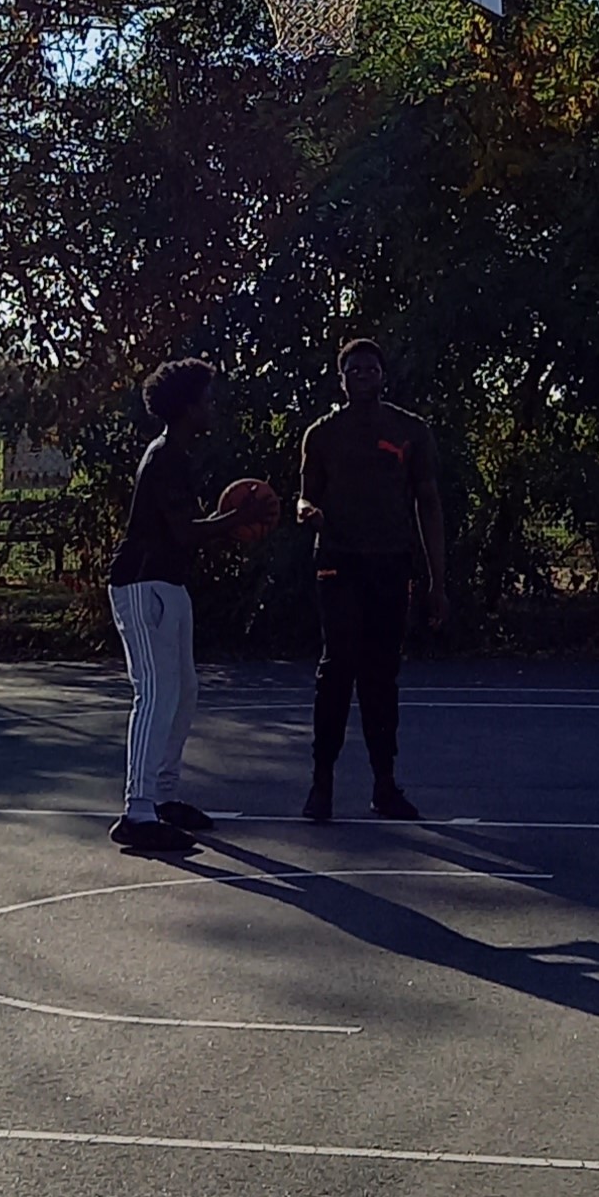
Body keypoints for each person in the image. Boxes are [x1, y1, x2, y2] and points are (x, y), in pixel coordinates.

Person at [105, 357, 264, 856]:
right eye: (207, 399)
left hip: (167, 583)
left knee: (184, 692)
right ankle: (137, 811)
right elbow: (183, 533)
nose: (211, 407)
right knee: (155, 694)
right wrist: (238, 517)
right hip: (142, 583)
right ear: (187, 406)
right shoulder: (164, 457)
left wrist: (229, 519)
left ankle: (164, 796)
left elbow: (185, 531)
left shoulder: (176, 453)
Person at [294, 338, 449, 824]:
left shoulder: (411, 431)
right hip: (338, 561)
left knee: (382, 675)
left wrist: (437, 582)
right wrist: (307, 513)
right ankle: (322, 785)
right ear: (340, 380)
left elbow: (429, 503)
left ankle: (385, 785)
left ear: (384, 375)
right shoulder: (322, 434)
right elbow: (303, 499)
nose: (362, 375)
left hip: (390, 561)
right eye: (352, 369)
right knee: (336, 669)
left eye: (370, 368)